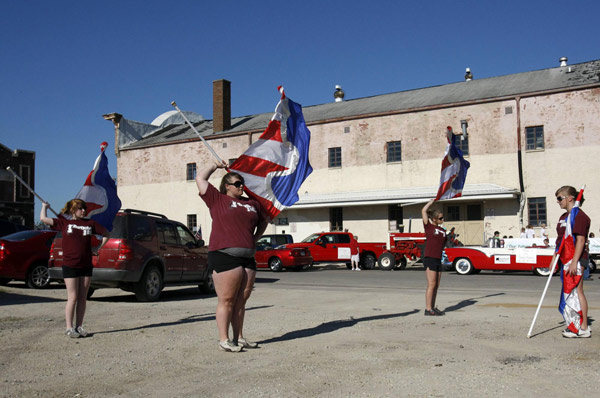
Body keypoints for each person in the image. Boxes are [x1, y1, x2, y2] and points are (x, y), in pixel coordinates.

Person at [196, 161, 268, 352]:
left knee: (241, 301)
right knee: (227, 300)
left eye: (242, 183)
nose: (241, 186)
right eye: (237, 184)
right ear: (227, 186)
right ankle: (224, 340)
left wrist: (255, 237)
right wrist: (214, 165)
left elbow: (264, 221)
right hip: (224, 255)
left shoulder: (251, 203)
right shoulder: (216, 199)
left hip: (248, 258)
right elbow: (200, 178)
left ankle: (239, 337)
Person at [40, 199, 109, 338]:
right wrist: (44, 207)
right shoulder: (64, 223)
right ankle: (69, 328)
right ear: (73, 210)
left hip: (86, 265)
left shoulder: (90, 223)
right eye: (80, 208)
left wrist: (97, 248)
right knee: (73, 297)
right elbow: (43, 219)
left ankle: (79, 326)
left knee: (83, 298)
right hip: (70, 265)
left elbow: (107, 233)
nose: (83, 211)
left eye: (84, 208)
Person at [552, 185, 591, 338]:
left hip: (577, 259)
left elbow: (580, 240)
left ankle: (584, 326)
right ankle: (573, 324)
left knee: (577, 291)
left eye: (560, 198)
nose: (558, 202)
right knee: (569, 293)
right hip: (565, 259)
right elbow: (560, 241)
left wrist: (575, 261)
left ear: (570, 198)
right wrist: (554, 259)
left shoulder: (579, 217)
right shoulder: (563, 218)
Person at [421, 199, 446, 316]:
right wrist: (431, 202)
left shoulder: (442, 230)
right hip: (430, 257)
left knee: (437, 284)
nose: (442, 220)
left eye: (443, 217)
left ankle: (433, 307)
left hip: (438, 258)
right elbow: (423, 210)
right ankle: (428, 308)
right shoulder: (429, 227)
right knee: (431, 284)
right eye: (440, 218)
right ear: (434, 219)